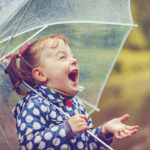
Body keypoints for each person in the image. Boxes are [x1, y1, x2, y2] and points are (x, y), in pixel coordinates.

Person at [6, 34, 139, 150]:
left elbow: (88, 144)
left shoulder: (76, 104)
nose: (74, 60)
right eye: (62, 57)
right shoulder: (34, 106)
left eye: (73, 56)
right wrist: (66, 129)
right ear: (40, 74)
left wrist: (105, 130)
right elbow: (29, 145)